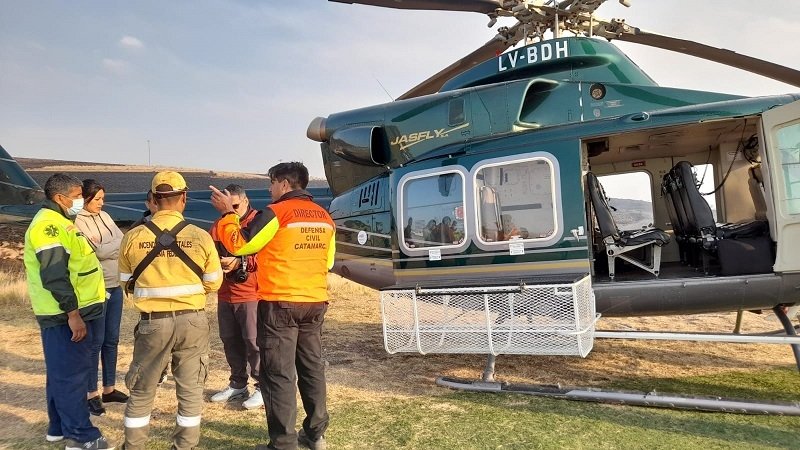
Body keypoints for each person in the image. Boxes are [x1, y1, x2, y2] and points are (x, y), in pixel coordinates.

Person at [210, 162, 335, 450]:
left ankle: (283, 443)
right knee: (311, 368)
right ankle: (316, 435)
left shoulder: (277, 212)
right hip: (314, 301)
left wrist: (228, 214)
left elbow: (240, 245)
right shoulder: (324, 217)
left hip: (281, 303)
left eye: (271, 183)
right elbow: (327, 262)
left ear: (283, 183)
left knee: (278, 373)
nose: (269, 189)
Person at [118, 171, 222, 450]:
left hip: (153, 324)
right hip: (193, 323)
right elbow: (213, 281)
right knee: (190, 391)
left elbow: (127, 283)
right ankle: (185, 446)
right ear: (184, 198)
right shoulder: (200, 236)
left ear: (152, 199)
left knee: (141, 390)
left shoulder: (133, 236)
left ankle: (134, 446)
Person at [23, 173, 114, 449]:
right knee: (72, 376)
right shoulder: (48, 226)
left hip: (73, 311)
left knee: (60, 372)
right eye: (76, 195)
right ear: (60, 197)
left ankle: (58, 427)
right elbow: (54, 274)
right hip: (64, 315)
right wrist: (72, 314)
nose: (80, 200)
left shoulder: (62, 222)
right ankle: (81, 436)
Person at [74, 179, 129, 417]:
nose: (101, 203)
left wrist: (109, 246)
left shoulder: (105, 217)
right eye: (97, 199)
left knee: (112, 339)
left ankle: (109, 388)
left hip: (115, 285)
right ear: (85, 199)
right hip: (95, 289)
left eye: (103, 199)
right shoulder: (76, 221)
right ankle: (90, 394)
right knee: (94, 342)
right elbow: (97, 251)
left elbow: (122, 241)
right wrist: (111, 246)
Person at [208, 184, 263, 410]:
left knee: (254, 341)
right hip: (226, 293)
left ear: (246, 200)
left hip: (251, 292)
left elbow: (268, 254)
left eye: (235, 206)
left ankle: (263, 386)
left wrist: (239, 262)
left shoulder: (259, 222)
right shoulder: (219, 224)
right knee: (230, 340)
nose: (230, 209)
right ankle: (238, 383)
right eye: (225, 206)